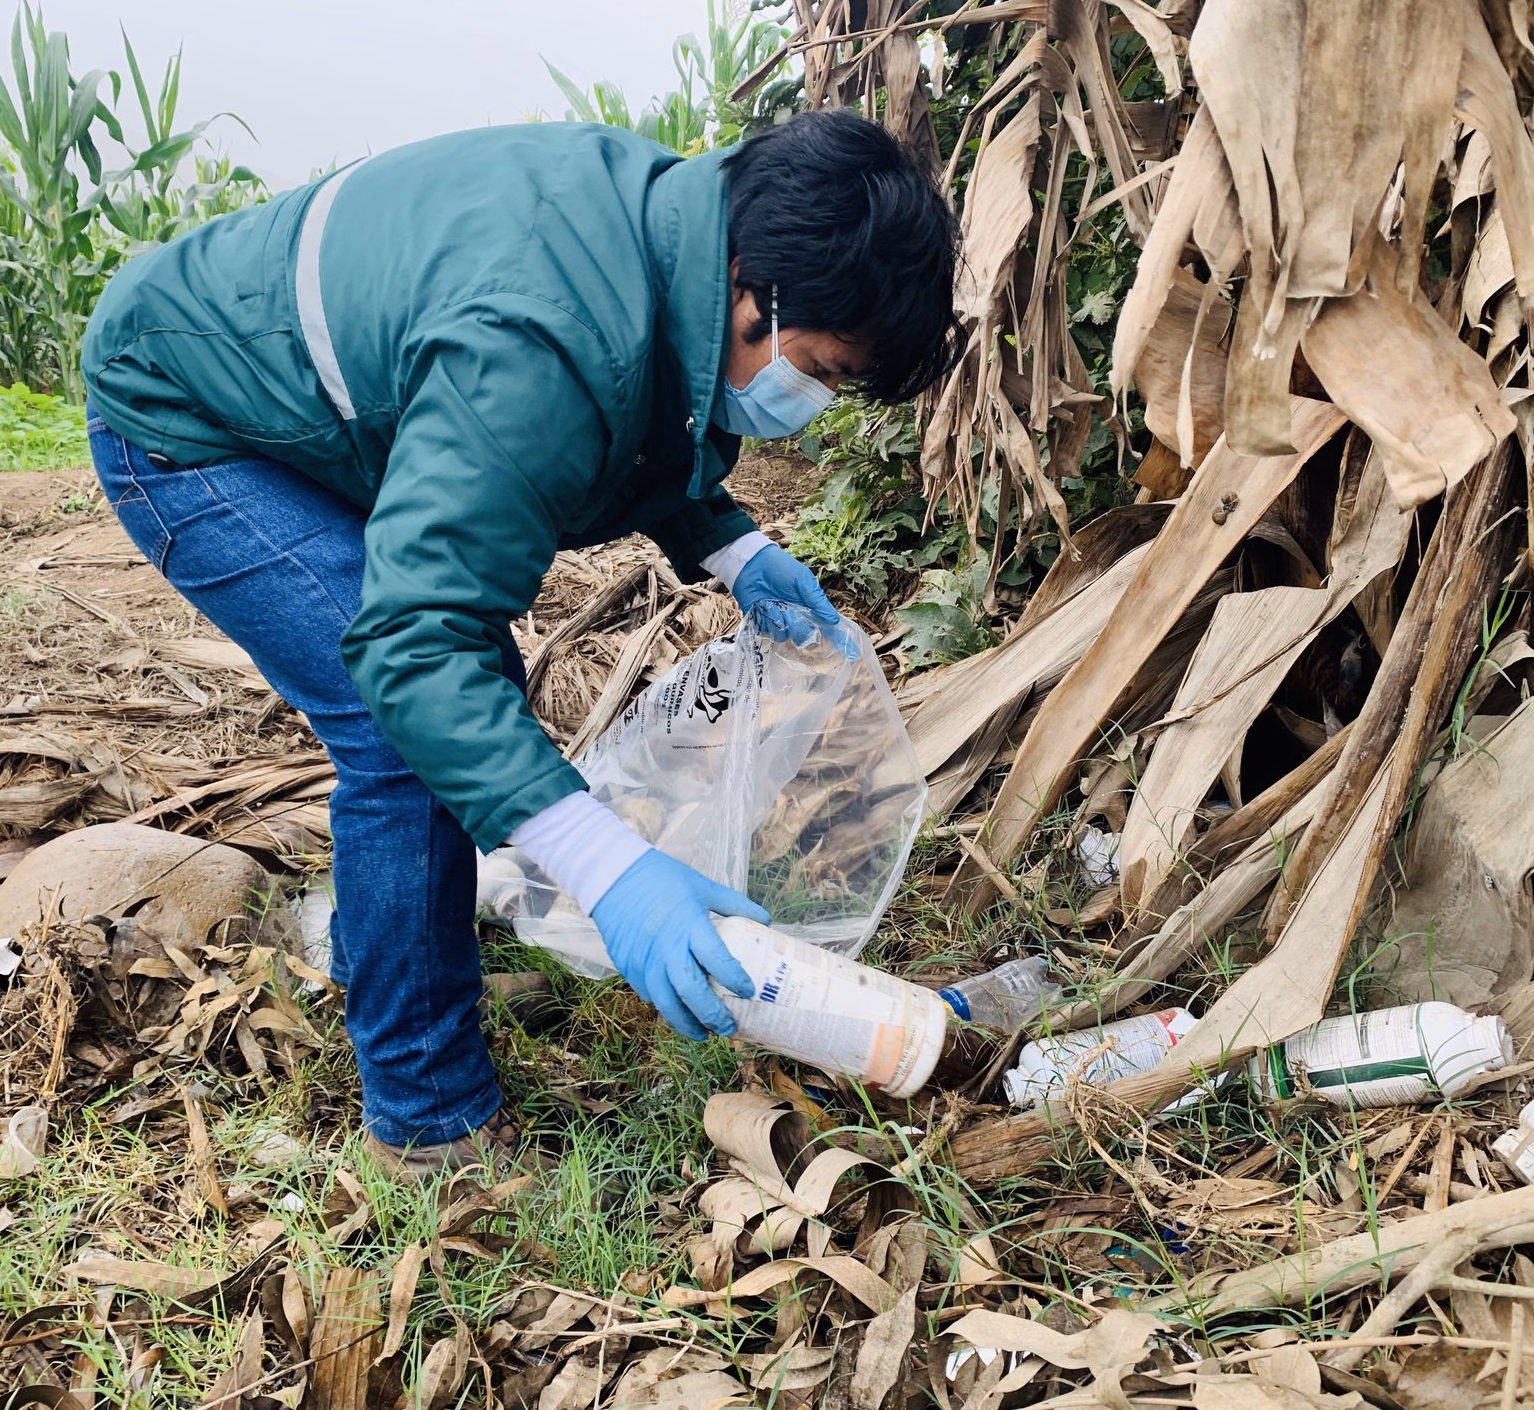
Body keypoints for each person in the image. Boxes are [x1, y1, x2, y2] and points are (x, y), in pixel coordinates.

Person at [81, 109, 959, 1179]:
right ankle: (428, 1118)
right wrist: (611, 872)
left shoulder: (671, 236)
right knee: (405, 729)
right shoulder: (540, 333)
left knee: (460, 702)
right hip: (185, 418)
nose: (810, 402)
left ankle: (384, 952)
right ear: (753, 286)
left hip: (338, 410)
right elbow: (414, 644)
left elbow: (644, 409)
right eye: (817, 367)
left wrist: (730, 548)